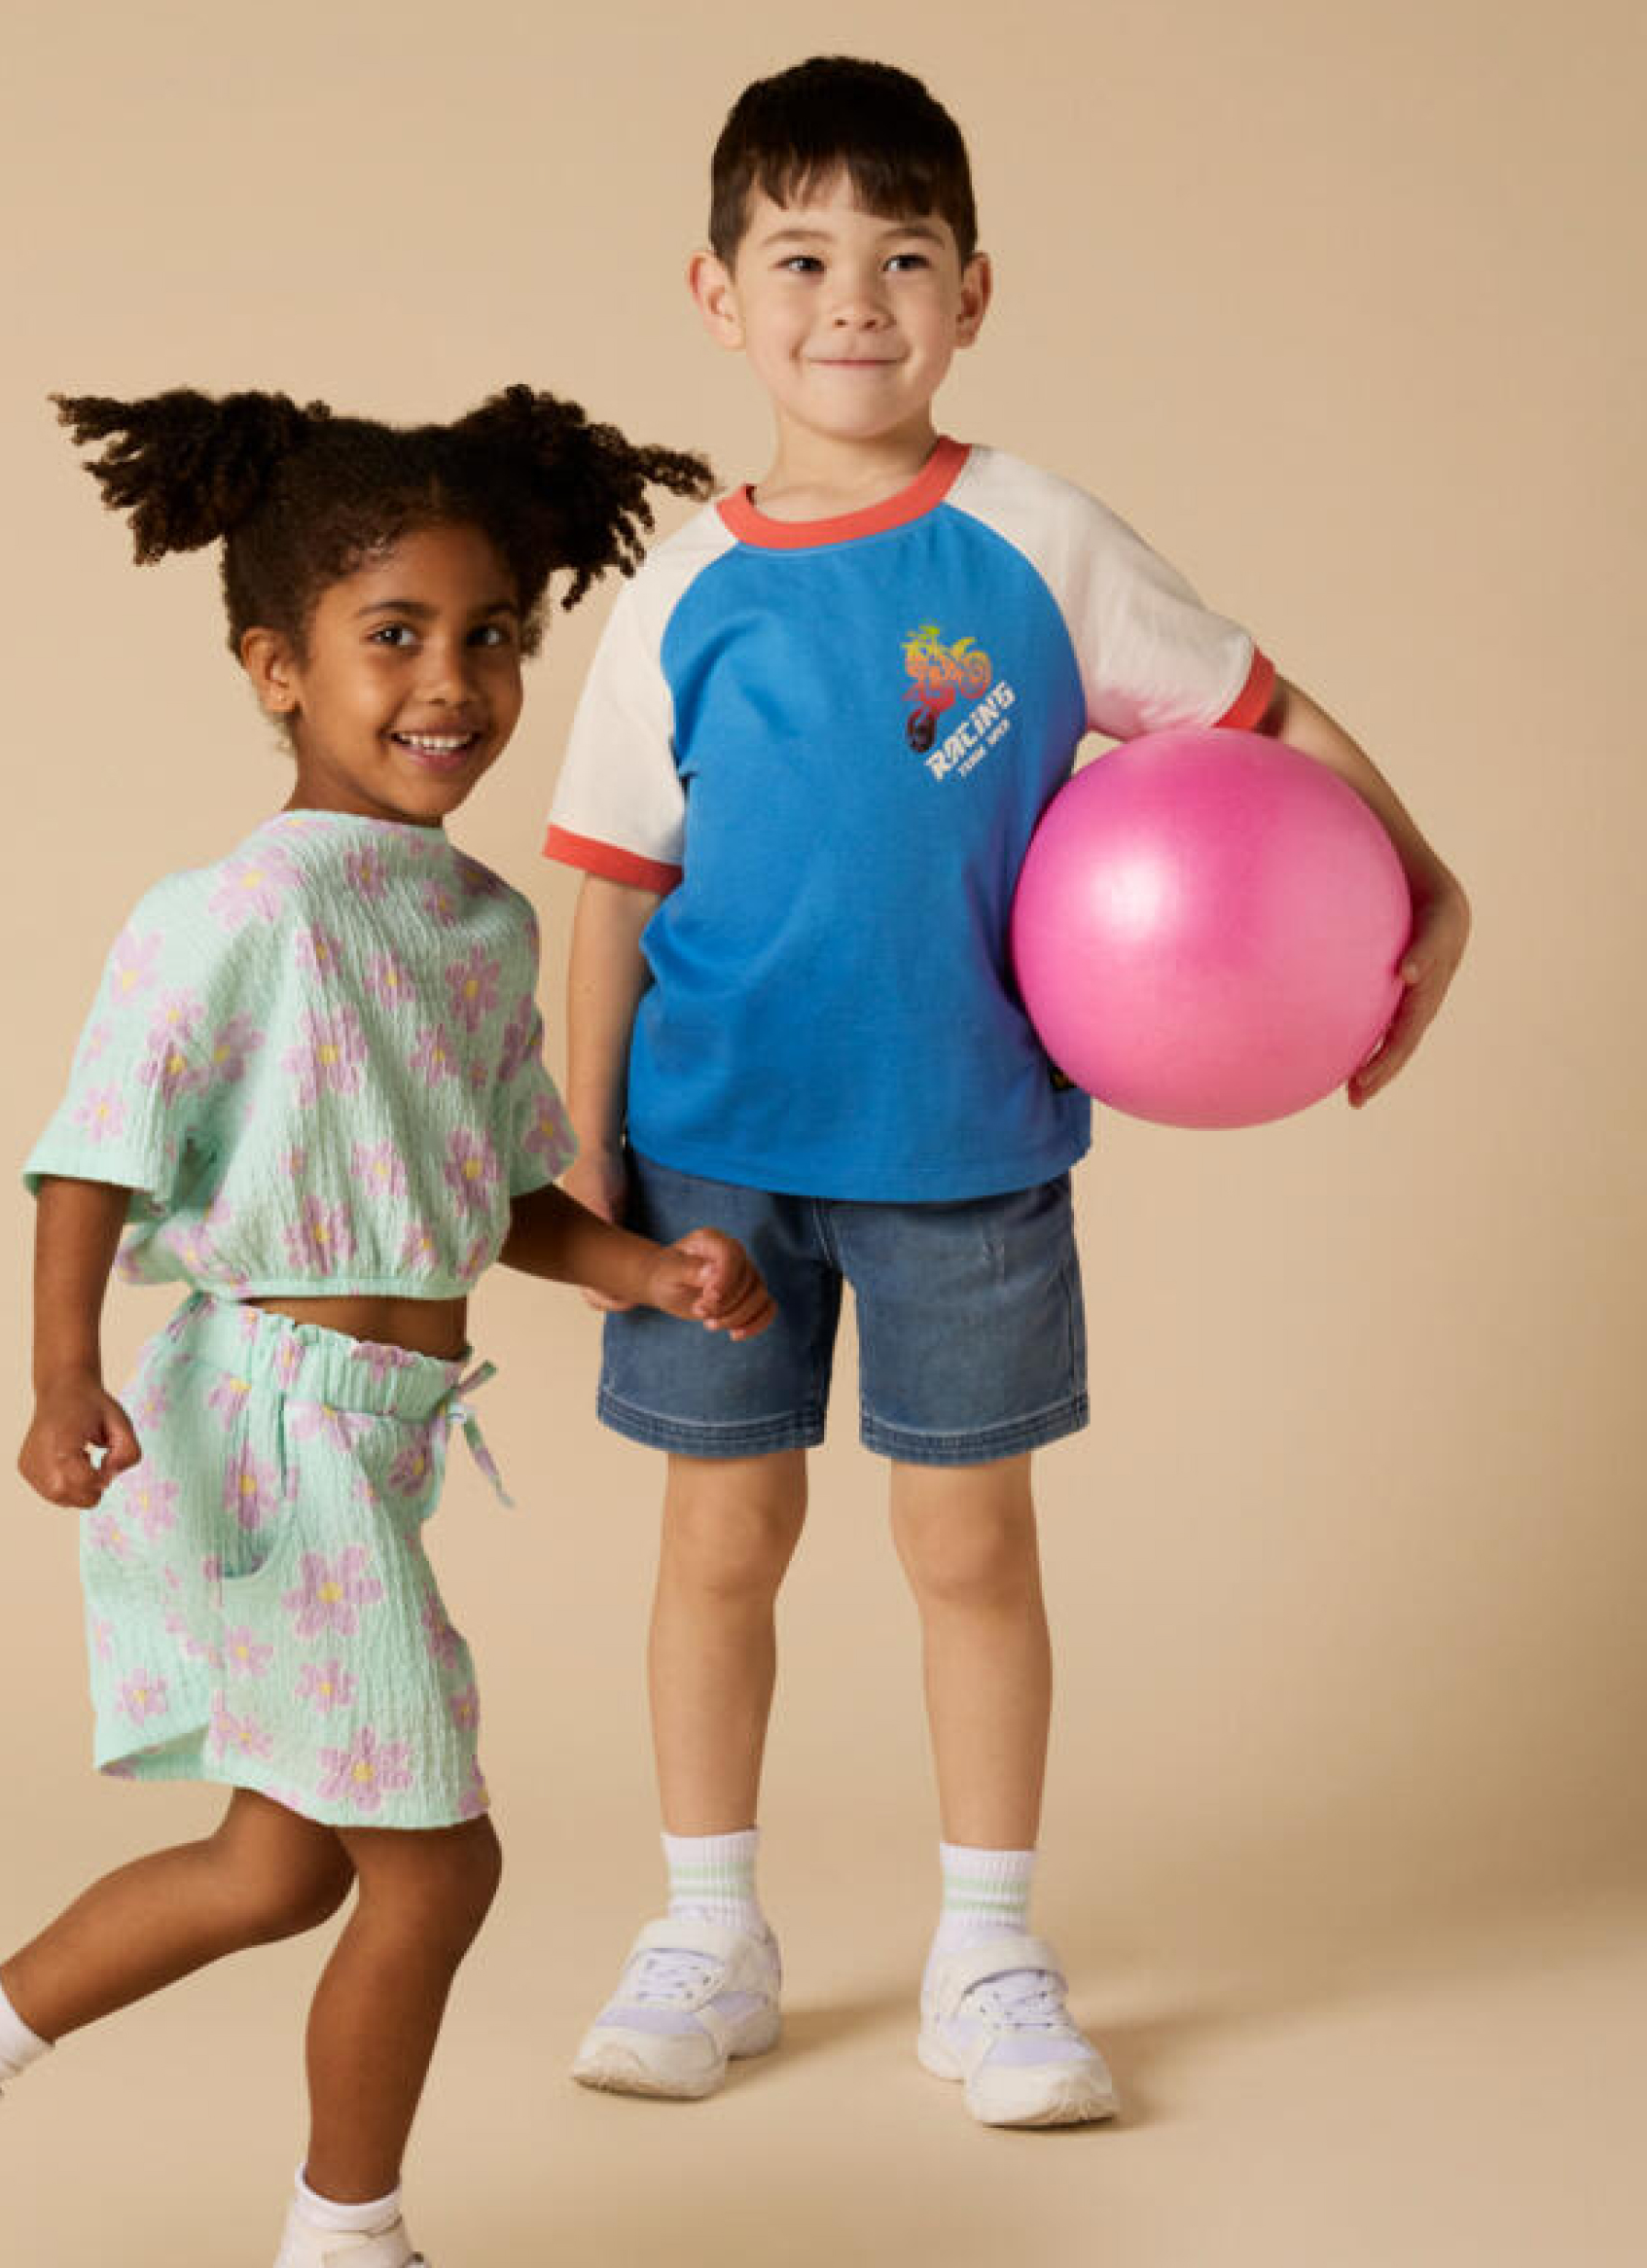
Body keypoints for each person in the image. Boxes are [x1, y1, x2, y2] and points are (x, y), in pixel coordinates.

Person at [0, 382, 770, 2268]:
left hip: (372, 1442)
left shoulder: (477, 924)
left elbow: (495, 1194)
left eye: (491, 634)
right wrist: (61, 1376)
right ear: (275, 668)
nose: (450, 680)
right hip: (261, 1431)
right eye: (392, 634)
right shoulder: (234, 915)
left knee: (283, 1863)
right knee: (438, 1863)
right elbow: (93, 1152)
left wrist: (646, 1269)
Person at [546, 58, 1470, 2124]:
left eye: (902, 259)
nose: (851, 302)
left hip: (964, 1153)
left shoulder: (1037, 539)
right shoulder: (680, 590)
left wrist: (1424, 876)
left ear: (972, 291)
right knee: (720, 1539)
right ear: (716, 292)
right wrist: (581, 1149)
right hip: (710, 1158)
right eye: (802, 259)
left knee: (969, 1547)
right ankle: (707, 1932)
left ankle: (986, 1954)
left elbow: (1261, 710)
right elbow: (610, 887)